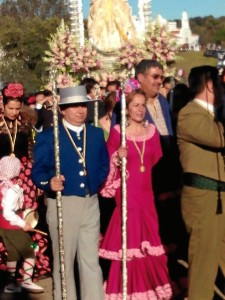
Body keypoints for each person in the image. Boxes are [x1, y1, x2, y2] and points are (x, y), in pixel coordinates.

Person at [31, 85, 109, 300]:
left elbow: (104, 164)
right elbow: (38, 171)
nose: (79, 110)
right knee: (64, 262)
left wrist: (94, 183)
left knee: (91, 261)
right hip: (63, 203)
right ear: (62, 110)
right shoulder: (49, 137)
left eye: (82, 105)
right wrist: (49, 183)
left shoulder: (94, 133)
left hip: (91, 202)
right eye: (73, 106)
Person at [99, 89, 172, 299]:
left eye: (143, 105)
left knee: (149, 242)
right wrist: (117, 157)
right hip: (127, 196)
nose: (140, 109)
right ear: (127, 110)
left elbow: (158, 165)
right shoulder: (117, 132)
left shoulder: (152, 132)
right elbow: (108, 168)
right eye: (135, 105)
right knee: (129, 241)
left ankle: (151, 288)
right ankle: (127, 290)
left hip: (147, 196)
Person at [177, 65, 225, 300]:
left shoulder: (213, 114)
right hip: (203, 196)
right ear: (209, 85)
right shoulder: (190, 113)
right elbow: (218, 138)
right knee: (204, 260)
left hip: (220, 196)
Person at [0, 82, 50, 278]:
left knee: (26, 218)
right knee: (5, 219)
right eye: (9, 108)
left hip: (23, 179)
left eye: (17, 108)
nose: (13, 112)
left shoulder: (26, 124)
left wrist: (32, 179)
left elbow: (30, 153)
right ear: (2, 105)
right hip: (2, 178)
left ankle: (27, 267)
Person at [0, 156, 43, 294]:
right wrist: (23, 223)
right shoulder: (13, 189)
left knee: (13, 253)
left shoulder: (2, 185)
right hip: (13, 226)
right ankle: (27, 281)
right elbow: (8, 212)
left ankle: (10, 283)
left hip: (3, 227)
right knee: (32, 248)